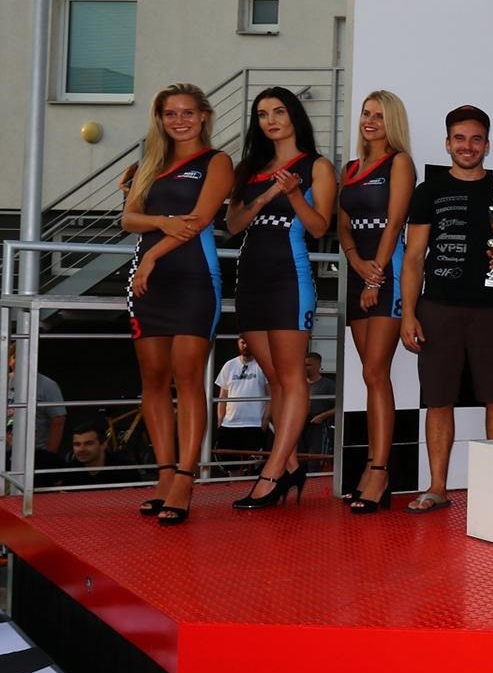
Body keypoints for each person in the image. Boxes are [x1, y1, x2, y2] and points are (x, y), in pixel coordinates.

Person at [400, 104, 493, 512]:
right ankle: (437, 487)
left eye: (476, 139)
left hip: (492, 310)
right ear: (447, 143)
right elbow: (413, 258)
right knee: (438, 401)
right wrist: (409, 313)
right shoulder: (429, 191)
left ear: (487, 145)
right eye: (459, 138)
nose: (468, 146)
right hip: (438, 308)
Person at [122, 83, 232, 524]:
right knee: (152, 380)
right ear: (160, 119)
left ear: (204, 115)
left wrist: (152, 252)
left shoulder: (217, 162)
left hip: (193, 280)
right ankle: (164, 476)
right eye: (171, 113)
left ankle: (186, 477)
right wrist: (162, 222)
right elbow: (128, 219)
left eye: (188, 112)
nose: (179, 120)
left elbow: (198, 222)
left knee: (188, 378)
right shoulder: (149, 163)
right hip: (148, 286)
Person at [225, 86, 336, 509]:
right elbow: (234, 224)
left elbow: (320, 227)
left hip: (289, 278)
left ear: (294, 117)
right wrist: (267, 195)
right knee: (274, 378)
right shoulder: (249, 168)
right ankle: (290, 467)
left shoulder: (316, 166)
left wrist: (291, 194)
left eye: (278, 112)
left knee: (290, 378)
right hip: (250, 278)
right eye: (262, 114)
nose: (270, 120)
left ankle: (272, 473)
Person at [336, 89, 415, 513]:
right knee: (371, 376)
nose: (370, 121)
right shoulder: (350, 168)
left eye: (379, 116)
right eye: (366, 113)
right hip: (357, 272)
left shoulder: (399, 163)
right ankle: (371, 465)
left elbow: (395, 222)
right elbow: (343, 224)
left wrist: (376, 274)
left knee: (374, 372)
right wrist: (355, 262)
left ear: (392, 123)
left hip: (387, 273)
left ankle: (380, 470)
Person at [6, 344, 66, 469]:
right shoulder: (3, 382)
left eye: (24, 356)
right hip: (4, 453)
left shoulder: (48, 385)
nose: (20, 361)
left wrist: (49, 456)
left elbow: (58, 421)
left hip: (36, 453)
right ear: (9, 360)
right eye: (15, 357)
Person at [214, 335, 270, 462]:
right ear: (238, 343)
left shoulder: (262, 365)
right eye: (243, 342)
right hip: (230, 423)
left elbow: (271, 395)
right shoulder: (229, 365)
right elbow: (223, 396)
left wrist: (265, 419)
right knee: (229, 462)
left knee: (252, 463)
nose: (246, 346)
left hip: (254, 423)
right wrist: (220, 420)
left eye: (249, 342)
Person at [300, 351, 336, 459]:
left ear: (318, 366)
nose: (305, 368)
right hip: (300, 424)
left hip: (318, 425)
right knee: (300, 457)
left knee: (314, 458)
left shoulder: (328, 385)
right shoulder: (300, 384)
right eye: (304, 365)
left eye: (308, 365)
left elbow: (339, 406)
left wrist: (322, 416)